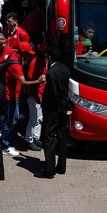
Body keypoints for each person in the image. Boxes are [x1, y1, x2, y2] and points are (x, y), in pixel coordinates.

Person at [35, 46, 72, 179]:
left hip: (52, 111)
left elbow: (54, 93)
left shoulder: (51, 73)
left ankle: (49, 170)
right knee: (61, 138)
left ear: (50, 57)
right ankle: (61, 167)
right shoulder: (64, 68)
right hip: (62, 109)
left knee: (49, 139)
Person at [1, 41, 41, 157]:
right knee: (8, 121)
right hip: (10, 96)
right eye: (27, 52)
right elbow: (23, 82)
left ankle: (6, 140)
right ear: (22, 52)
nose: (29, 55)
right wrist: (38, 81)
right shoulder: (16, 64)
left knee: (14, 119)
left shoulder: (17, 57)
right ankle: (5, 144)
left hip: (15, 95)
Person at [23, 46, 48, 151]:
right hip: (34, 96)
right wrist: (36, 96)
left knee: (39, 118)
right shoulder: (35, 62)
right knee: (33, 119)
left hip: (40, 95)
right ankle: (29, 140)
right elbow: (30, 81)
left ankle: (36, 138)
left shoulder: (44, 61)